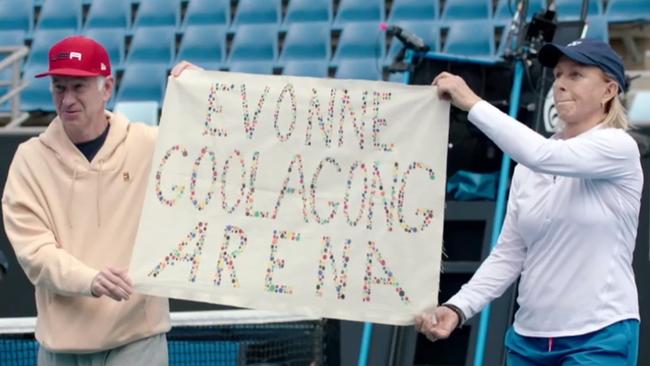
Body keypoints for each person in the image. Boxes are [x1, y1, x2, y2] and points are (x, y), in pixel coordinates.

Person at [416, 38, 642, 365]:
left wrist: (472, 102)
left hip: (599, 336)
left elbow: (542, 155)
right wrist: (457, 308)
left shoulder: (618, 146)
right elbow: (509, 253)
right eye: (559, 75)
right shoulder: (529, 167)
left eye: (576, 75)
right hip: (527, 341)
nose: (560, 84)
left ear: (609, 91)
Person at [1, 36, 197, 365]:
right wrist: (89, 279)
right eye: (59, 87)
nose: (67, 99)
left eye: (79, 86)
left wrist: (201, 93)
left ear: (107, 87)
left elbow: (214, 157)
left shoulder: (149, 144)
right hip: (60, 349)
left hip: (137, 340)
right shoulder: (29, 159)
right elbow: (34, 251)